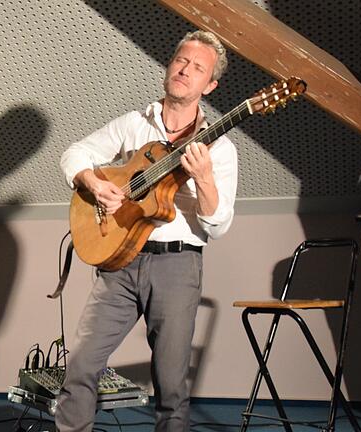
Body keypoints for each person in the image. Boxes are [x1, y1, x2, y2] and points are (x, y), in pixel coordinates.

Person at [57, 30, 238, 432]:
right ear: (169, 66)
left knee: (171, 387)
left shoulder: (220, 149)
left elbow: (219, 223)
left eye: (197, 68)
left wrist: (204, 178)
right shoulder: (134, 123)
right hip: (120, 262)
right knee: (81, 366)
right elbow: (75, 153)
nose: (185, 71)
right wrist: (93, 182)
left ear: (210, 86)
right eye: (181, 61)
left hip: (177, 267)